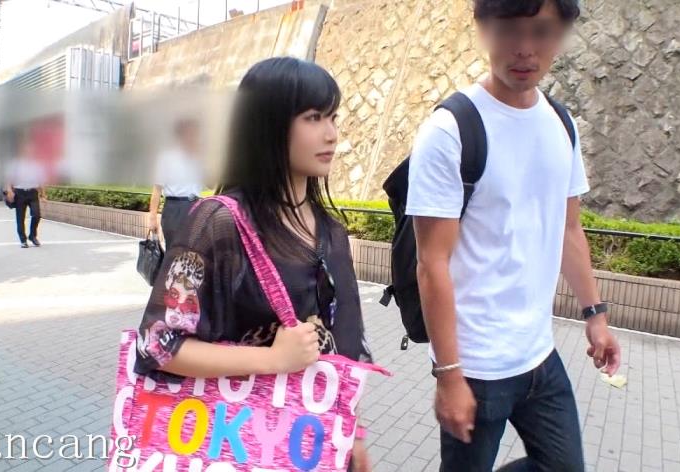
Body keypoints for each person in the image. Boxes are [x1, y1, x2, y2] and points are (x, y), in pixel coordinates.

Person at [405, 1, 621, 470]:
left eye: (541, 32)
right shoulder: (450, 131)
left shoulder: (561, 123)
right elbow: (431, 263)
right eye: (509, 30)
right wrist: (449, 375)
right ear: (484, 29)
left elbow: (568, 228)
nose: (525, 48)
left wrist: (595, 315)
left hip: (539, 355)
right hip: (476, 365)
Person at [134, 57, 374, 471]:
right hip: (240, 444)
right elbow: (158, 344)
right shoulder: (217, 223)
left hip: (317, 444)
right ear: (268, 124)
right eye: (314, 118)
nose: (331, 134)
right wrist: (273, 360)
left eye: (333, 117)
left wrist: (354, 434)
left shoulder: (332, 231)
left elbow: (347, 346)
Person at [148, 118, 205, 251]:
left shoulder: (200, 157)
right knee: (174, 250)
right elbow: (157, 189)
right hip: (174, 208)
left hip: (196, 206)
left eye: (195, 133)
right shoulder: (167, 157)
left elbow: (211, 184)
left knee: (194, 251)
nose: (192, 137)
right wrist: (152, 217)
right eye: (188, 133)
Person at [5, 141, 47, 248]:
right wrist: (9, 191)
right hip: (19, 192)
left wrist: (43, 194)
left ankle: (32, 236)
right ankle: (23, 240)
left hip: (33, 192)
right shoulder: (16, 164)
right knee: (20, 218)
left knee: (37, 215)